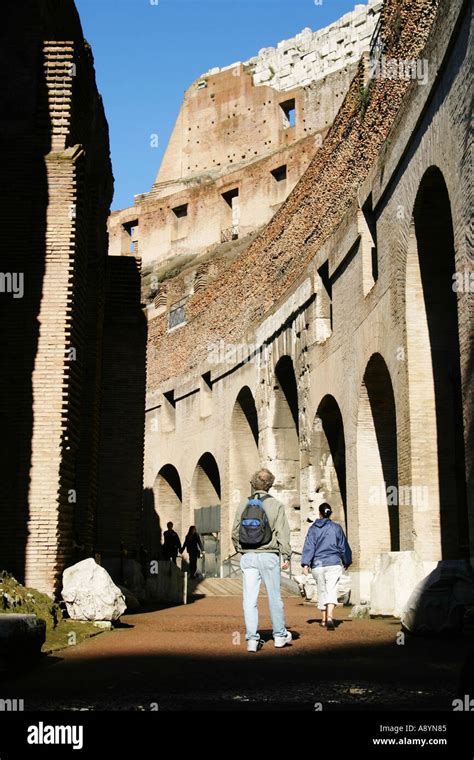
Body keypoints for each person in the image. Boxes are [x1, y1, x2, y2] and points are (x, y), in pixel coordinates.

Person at [232, 467, 292, 652]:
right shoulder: (276, 505)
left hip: (248, 556)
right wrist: (286, 555)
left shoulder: (243, 504)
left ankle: (251, 640)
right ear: (270, 485)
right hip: (269, 555)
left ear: (253, 484)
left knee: (249, 600)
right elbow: (283, 533)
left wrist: (241, 550)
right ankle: (280, 636)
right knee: (274, 597)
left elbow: (234, 533)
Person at [301, 503, 352, 631]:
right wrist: (347, 561)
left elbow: (309, 546)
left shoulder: (313, 529)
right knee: (331, 590)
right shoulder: (336, 528)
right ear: (330, 513)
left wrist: (305, 563)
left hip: (318, 564)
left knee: (321, 590)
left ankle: (323, 619)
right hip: (333, 562)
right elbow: (343, 546)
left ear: (319, 513)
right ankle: (330, 617)